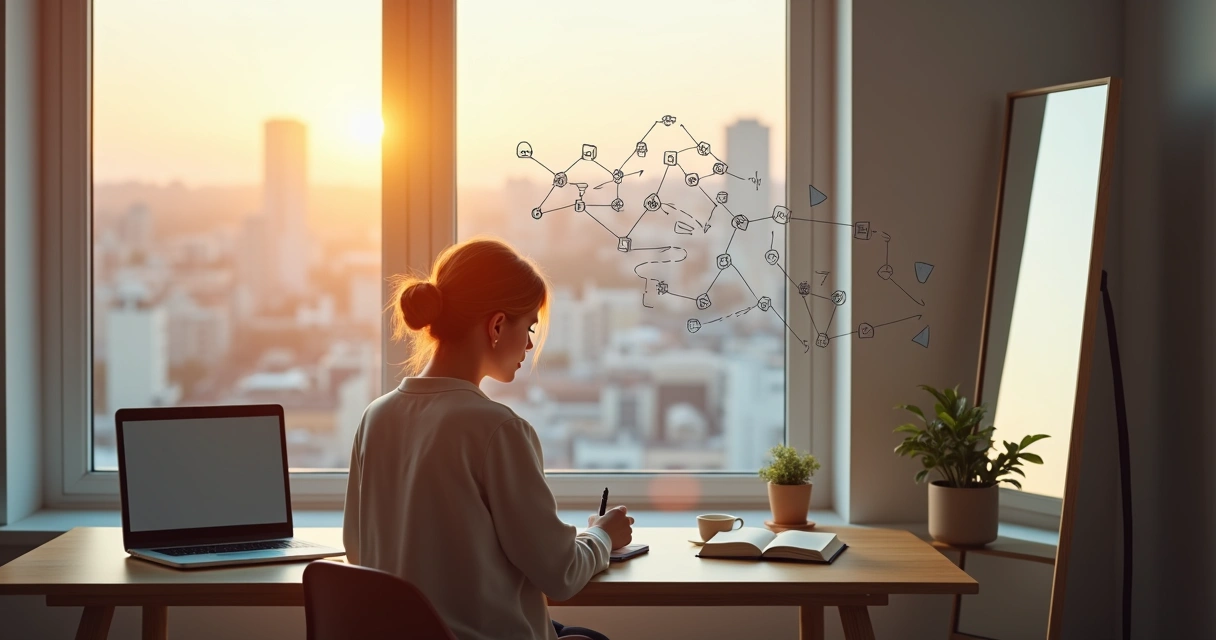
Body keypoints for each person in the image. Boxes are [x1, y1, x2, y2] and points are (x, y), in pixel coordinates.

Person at [342, 237, 633, 640]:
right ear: (496, 326)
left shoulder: (374, 418)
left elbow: (358, 552)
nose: (530, 345)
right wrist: (603, 535)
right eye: (528, 327)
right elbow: (562, 574)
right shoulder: (497, 430)